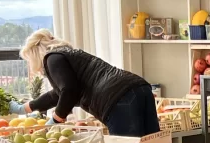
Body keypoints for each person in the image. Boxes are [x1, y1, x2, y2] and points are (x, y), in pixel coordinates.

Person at [16, 30, 160, 136]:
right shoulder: (66, 54)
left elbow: (69, 90)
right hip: (139, 88)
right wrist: (25, 108)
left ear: (35, 54)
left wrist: (56, 118)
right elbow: (58, 94)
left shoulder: (51, 58)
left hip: (118, 98)